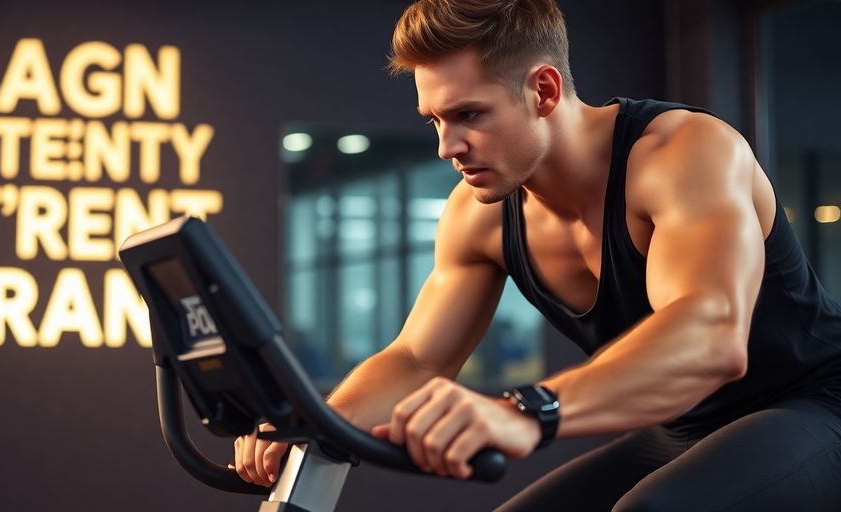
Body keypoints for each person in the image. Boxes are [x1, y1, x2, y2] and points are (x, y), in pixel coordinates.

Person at [233, 0, 841, 509]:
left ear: (544, 89)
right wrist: (318, 425)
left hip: (814, 406)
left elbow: (710, 338)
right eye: (435, 120)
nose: (448, 146)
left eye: (469, 114)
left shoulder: (682, 153)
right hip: (683, 427)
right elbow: (416, 359)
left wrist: (529, 411)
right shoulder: (480, 214)